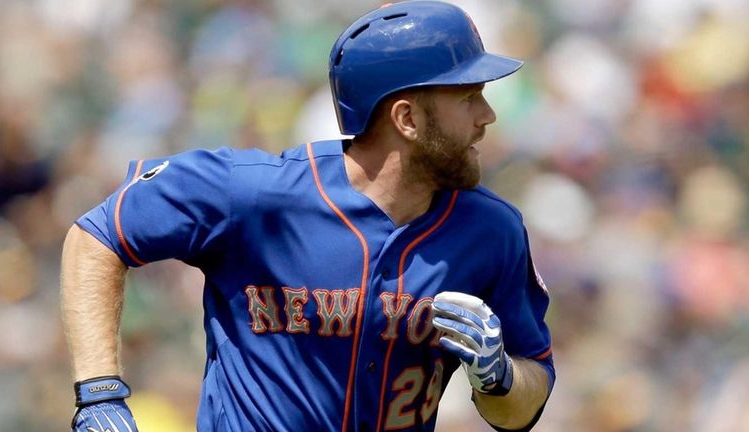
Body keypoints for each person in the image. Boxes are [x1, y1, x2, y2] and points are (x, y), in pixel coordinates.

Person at [61, 1, 555, 431]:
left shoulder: (492, 232)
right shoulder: (255, 193)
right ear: (406, 119)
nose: (487, 116)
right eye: (469, 97)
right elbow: (99, 236)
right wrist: (100, 389)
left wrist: (502, 378)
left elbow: (521, 408)